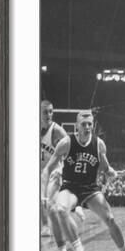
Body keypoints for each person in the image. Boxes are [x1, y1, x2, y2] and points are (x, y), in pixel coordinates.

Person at [42, 110, 125, 251]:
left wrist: (112, 172)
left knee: (110, 219)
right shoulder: (66, 142)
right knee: (60, 209)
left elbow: (106, 167)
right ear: (76, 126)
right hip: (70, 186)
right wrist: (44, 194)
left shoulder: (98, 144)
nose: (87, 127)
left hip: (90, 189)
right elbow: (47, 169)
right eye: (83, 124)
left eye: (90, 124)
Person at [40, 100, 67, 236]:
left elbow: (71, 145)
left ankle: (52, 227)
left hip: (55, 171)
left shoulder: (57, 130)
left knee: (47, 201)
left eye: (51, 111)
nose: (49, 114)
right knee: (42, 201)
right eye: (45, 112)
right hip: (41, 172)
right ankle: (46, 226)